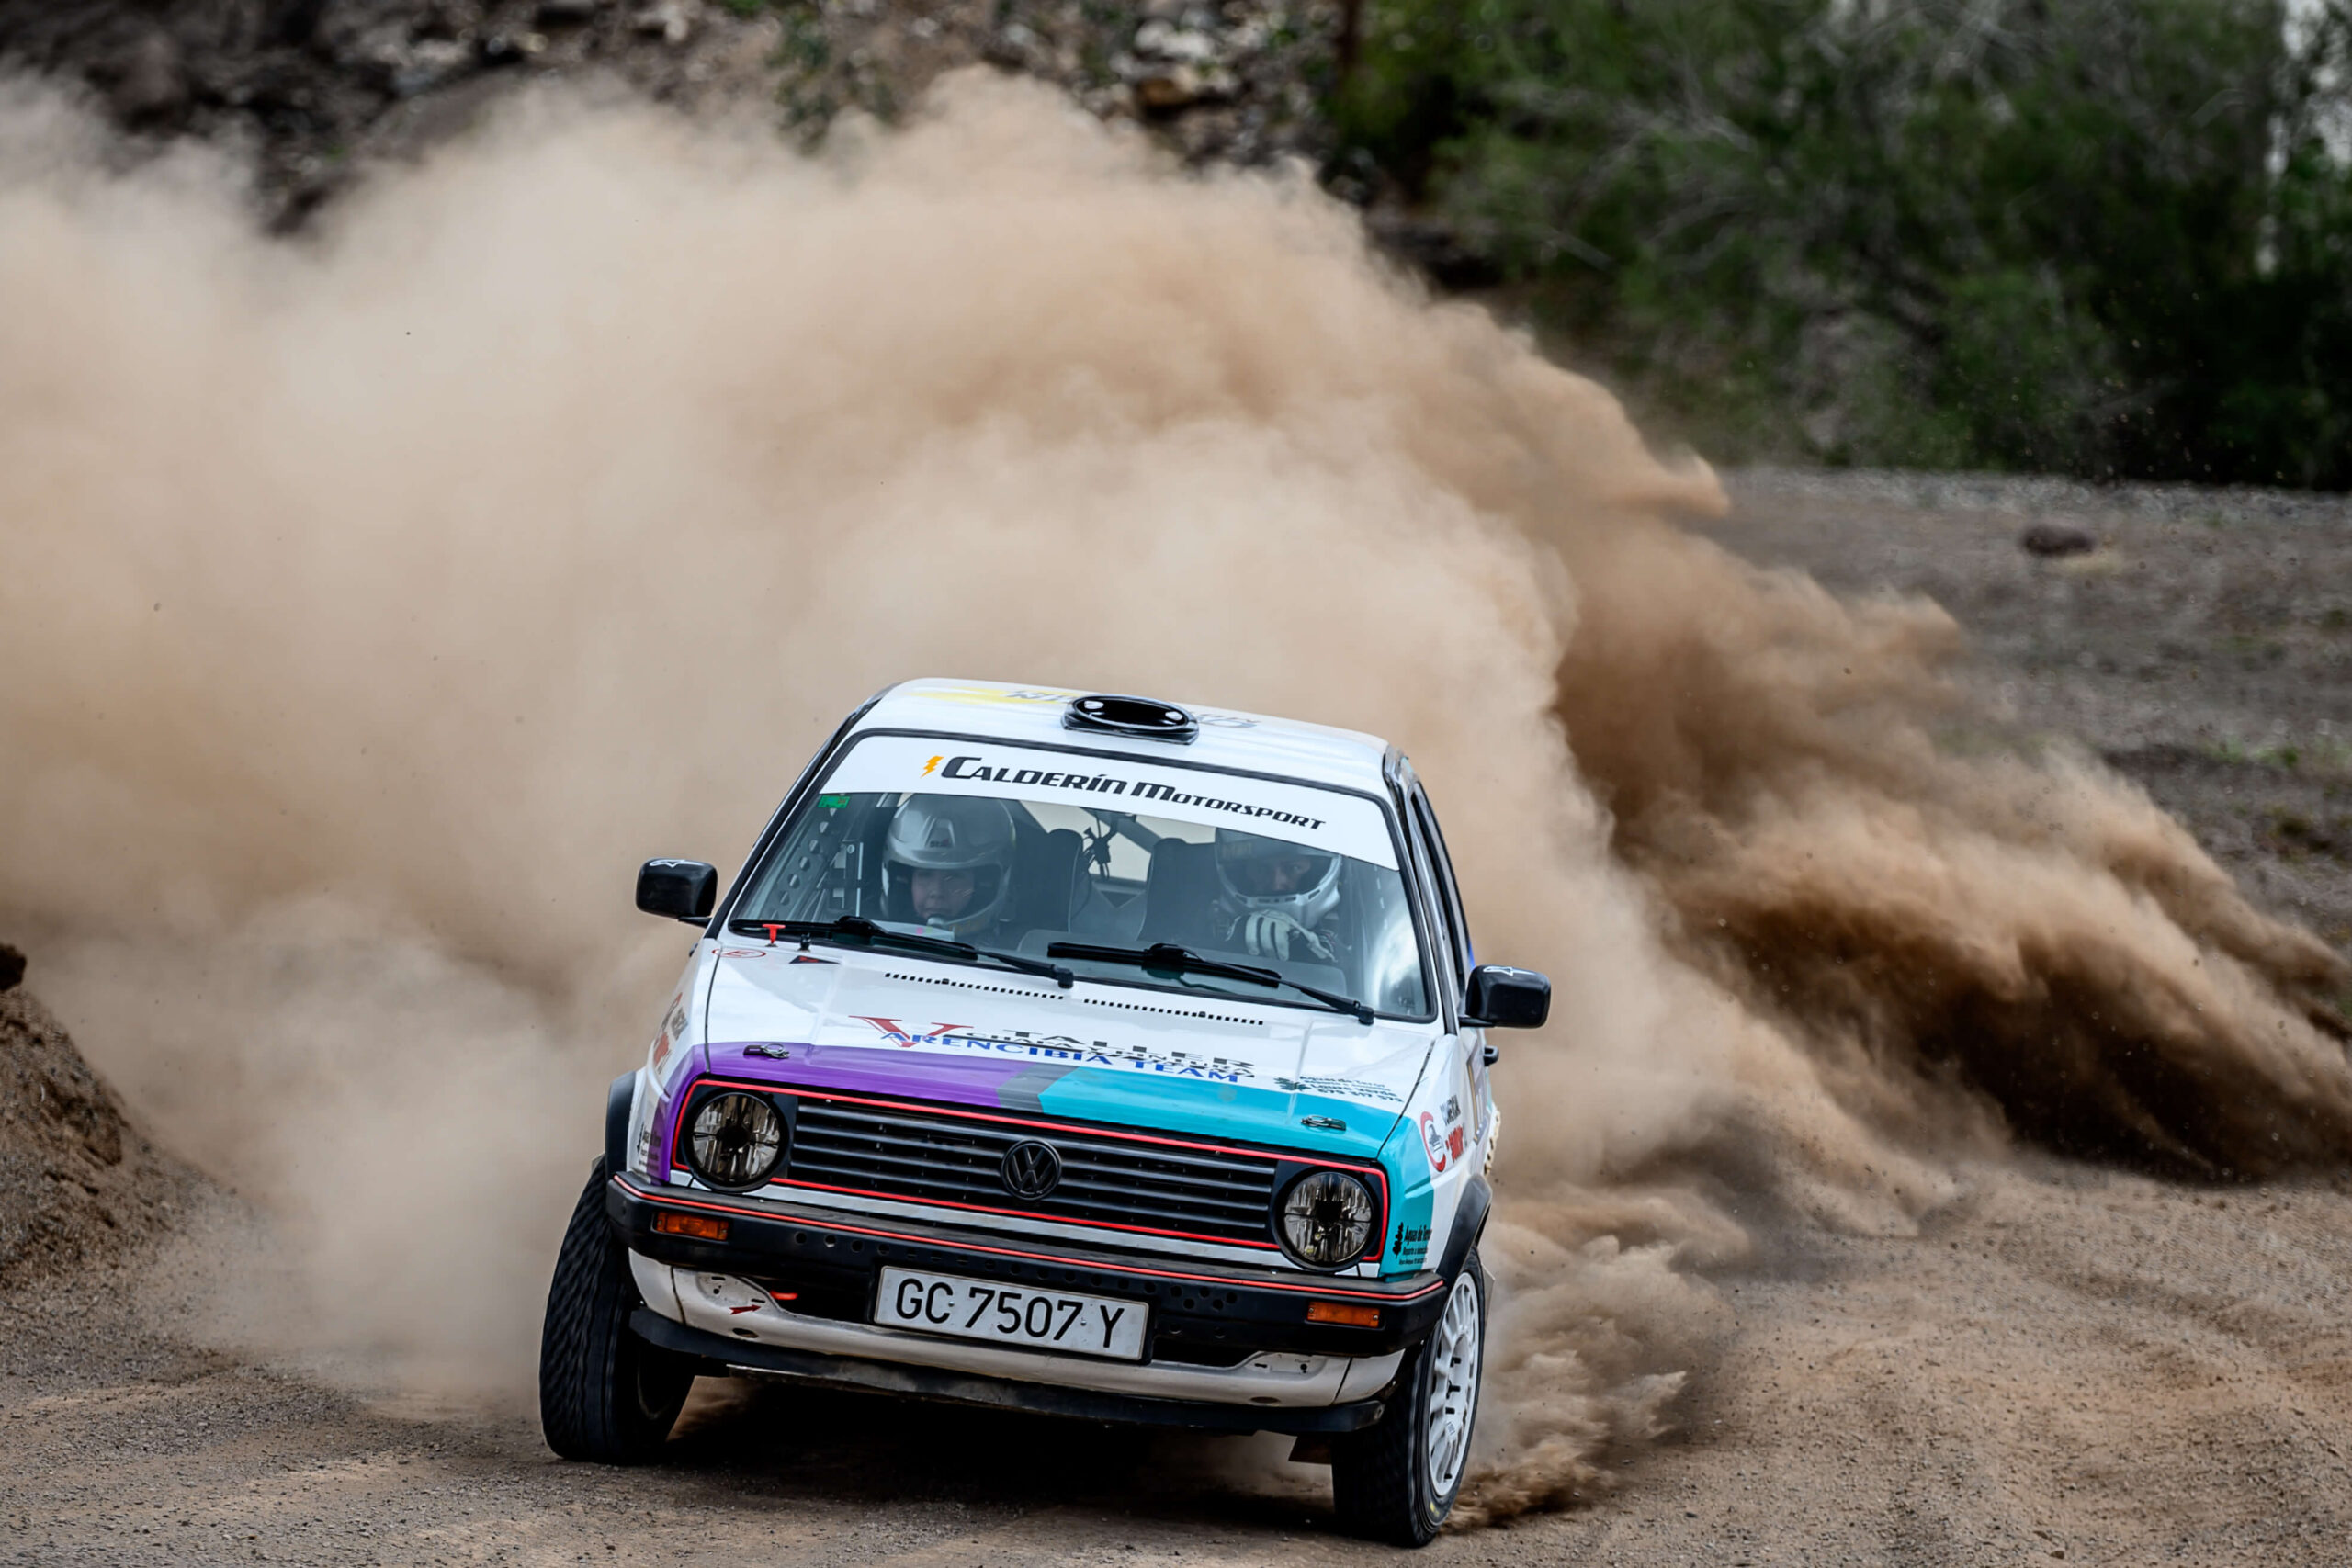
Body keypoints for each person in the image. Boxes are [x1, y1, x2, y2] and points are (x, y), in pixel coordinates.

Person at [882, 795, 1018, 940]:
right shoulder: (870, 939)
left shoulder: (1019, 951)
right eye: (925, 875)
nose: (937, 892)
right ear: (905, 882)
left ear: (984, 885)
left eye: (954, 877)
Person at [1212, 829, 1343, 963]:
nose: (1276, 884)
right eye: (1260, 869)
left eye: (1293, 868)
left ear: (1315, 872)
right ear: (1242, 873)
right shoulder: (1199, 924)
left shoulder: (1350, 943)